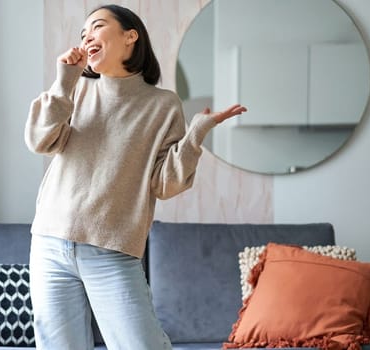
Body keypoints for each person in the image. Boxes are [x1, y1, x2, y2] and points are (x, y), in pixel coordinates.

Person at [24, 4, 246, 349]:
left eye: (97, 27)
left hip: (112, 250)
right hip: (49, 244)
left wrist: (195, 136)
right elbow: (41, 140)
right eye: (83, 34)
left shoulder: (163, 105)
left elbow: (164, 183)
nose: (87, 37)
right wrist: (63, 81)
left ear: (131, 36)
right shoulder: (76, 90)